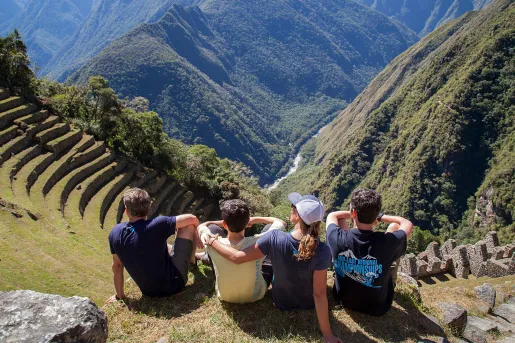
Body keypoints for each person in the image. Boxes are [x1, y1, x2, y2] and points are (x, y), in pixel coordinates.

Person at [205, 193, 343, 343]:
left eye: (293, 207)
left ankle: (204, 258)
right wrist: (327, 334)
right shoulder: (323, 250)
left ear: (296, 214)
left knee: (268, 258)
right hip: (308, 303)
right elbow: (319, 294)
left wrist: (212, 242)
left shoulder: (275, 238)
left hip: (280, 301)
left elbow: (237, 257)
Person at [326, 188, 413, 316]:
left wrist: (356, 213)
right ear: (375, 216)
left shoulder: (336, 238)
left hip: (343, 299)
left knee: (340, 220)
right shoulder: (386, 243)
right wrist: (378, 216)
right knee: (395, 227)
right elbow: (405, 223)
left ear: (353, 213)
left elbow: (333, 215)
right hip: (377, 306)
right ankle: (391, 275)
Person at [106, 188, 202, 303]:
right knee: (188, 226)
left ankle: (195, 256)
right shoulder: (157, 225)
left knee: (158, 243)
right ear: (149, 207)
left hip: (148, 292)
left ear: (126, 211)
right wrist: (197, 234)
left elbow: (117, 266)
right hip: (175, 283)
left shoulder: (115, 233)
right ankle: (192, 262)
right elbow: (192, 219)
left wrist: (119, 296)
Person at [197, 199, 286, 303]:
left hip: (226, 296)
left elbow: (202, 226)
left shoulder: (211, 240)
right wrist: (255, 219)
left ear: (225, 224)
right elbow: (281, 223)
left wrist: (221, 222)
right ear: (247, 222)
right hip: (256, 295)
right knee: (269, 231)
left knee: (212, 228)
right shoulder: (259, 241)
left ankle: (205, 257)